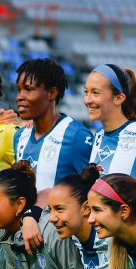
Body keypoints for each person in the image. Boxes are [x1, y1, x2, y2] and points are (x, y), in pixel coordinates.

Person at [13, 58, 94, 197]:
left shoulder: (77, 137)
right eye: (19, 90)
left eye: (28, 89)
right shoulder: (20, 136)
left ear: (52, 93)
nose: (19, 97)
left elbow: (92, 191)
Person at [85, 63, 136, 181]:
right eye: (86, 92)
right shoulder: (98, 136)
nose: (87, 100)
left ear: (118, 99)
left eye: (95, 93)